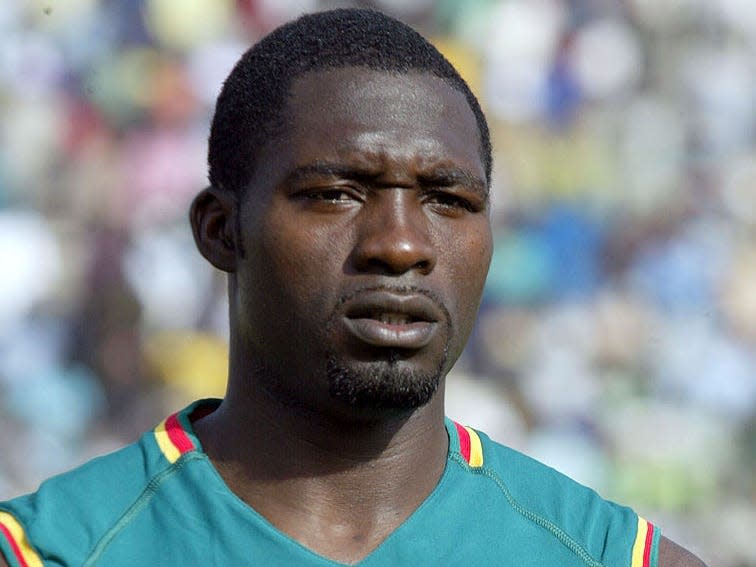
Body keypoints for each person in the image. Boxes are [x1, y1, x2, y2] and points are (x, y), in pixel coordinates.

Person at [0, 9, 706, 567]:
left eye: (448, 199)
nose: (400, 244)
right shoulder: (54, 550)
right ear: (220, 230)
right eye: (337, 193)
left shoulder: (611, 558)